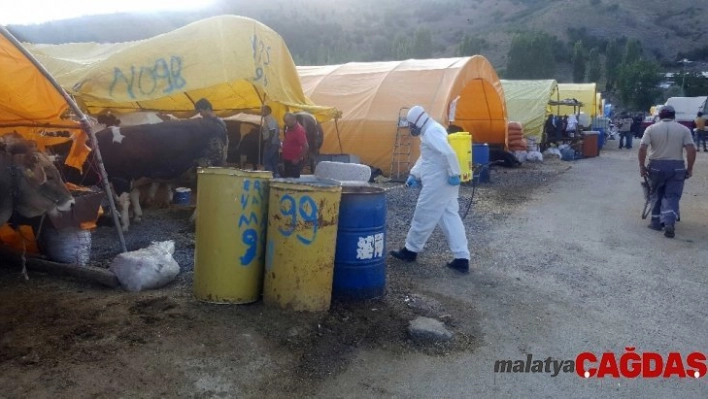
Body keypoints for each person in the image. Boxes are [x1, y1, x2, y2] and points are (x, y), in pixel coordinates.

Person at [389, 105, 470, 273]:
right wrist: (414, 174)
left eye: (411, 124)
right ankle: (462, 258)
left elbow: (448, 153)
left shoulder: (432, 132)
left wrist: (454, 173)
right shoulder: (429, 131)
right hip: (442, 183)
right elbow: (427, 157)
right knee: (450, 218)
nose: (411, 128)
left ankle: (410, 250)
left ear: (417, 121)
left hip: (438, 183)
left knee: (423, 213)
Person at [639, 105, 696, 238]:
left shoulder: (651, 129)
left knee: (656, 193)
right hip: (677, 167)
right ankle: (669, 222)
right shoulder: (684, 130)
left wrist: (642, 166)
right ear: (674, 116)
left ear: (660, 116)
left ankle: (655, 222)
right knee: (672, 196)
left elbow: (642, 148)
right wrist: (689, 168)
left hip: (656, 166)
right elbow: (691, 150)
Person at [194, 98, 228, 165]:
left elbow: (217, 148)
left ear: (207, 109)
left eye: (200, 111)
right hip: (217, 161)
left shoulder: (215, 125)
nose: (200, 114)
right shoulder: (220, 122)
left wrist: (206, 162)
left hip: (212, 163)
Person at [281, 113, 309, 178]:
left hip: (294, 161)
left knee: (293, 181)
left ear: (292, 120)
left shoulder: (299, 131)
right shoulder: (289, 127)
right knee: (287, 180)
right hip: (287, 159)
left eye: (287, 122)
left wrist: (297, 159)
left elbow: (306, 146)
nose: (286, 124)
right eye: (285, 122)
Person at [261, 105, 281, 177]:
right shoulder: (269, 118)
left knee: (266, 160)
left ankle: (269, 176)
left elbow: (272, 130)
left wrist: (269, 141)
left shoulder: (269, 118)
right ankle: (276, 175)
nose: (262, 112)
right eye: (261, 110)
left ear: (268, 111)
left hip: (271, 142)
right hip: (275, 142)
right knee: (273, 161)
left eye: (263, 110)